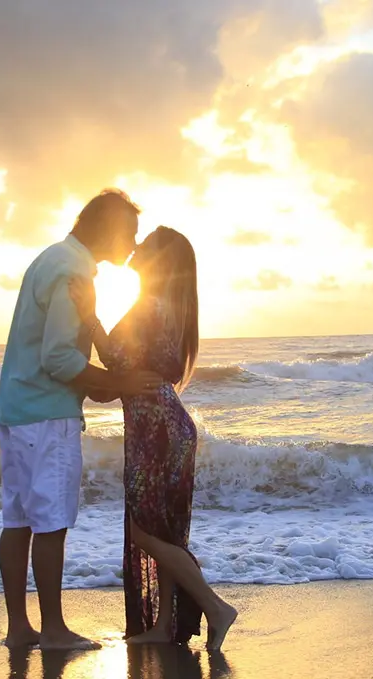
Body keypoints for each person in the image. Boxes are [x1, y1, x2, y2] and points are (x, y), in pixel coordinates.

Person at [0, 189, 162, 650]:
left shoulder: (51, 258)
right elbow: (59, 358)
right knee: (49, 524)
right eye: (128, 232)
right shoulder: (74, 271)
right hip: (47, 415)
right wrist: (121, 384)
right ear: (107, 228)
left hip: (15, 409)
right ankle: (53, 631)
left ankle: (19, 628)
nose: (131, 243)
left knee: (19, 520)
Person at [69, 226, 238, 650]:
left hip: (157, 428)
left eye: (146, 245)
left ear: (159, 260)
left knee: (146, 532)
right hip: (167, 425)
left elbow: (116, 358)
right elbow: (126, 371)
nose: (137, 246)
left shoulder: (149, 305)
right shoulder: (169, 306)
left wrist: (89, 318)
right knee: (163, 532)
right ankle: (164, 626)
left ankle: (216, 608)